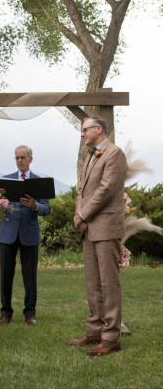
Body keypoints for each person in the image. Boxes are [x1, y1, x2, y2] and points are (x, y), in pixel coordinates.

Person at [70, 116, 128, 356]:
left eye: (84, 130)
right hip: (89, 228)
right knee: (92, 282)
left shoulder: (115, 154)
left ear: (99, 129)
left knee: (108, 282)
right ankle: (94, 330)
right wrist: (78, 215)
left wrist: (83, 215)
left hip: (106, 226)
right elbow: (81, 191)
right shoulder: (89, 155)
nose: (82, 134)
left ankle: (111, 337)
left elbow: (106, 191)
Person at [0, 145, 50, 326]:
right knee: (5, 276)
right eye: (17, 157)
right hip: (8, 234)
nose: (19, 160)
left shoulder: (39, 182)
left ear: (30, 159)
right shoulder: (6, 181)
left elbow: (46, 209)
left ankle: (30, 313)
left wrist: (35, 205)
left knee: (30, 276)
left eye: (23, 157)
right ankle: (5, 313)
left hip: (29, 234)